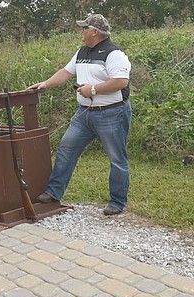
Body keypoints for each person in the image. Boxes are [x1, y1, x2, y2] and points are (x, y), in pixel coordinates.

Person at [27, 13, 132, 215]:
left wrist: (92, 90)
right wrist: (45, 84)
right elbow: (66, 72)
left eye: (84, 28)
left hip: (112, 114)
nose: (81, 31)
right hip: (84, 114)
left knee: (117, 159)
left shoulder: (114, 54)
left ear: (94, 32)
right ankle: (54, 192)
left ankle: (117, 203)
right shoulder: (82, 52)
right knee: (67, 148)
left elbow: (121, 82)